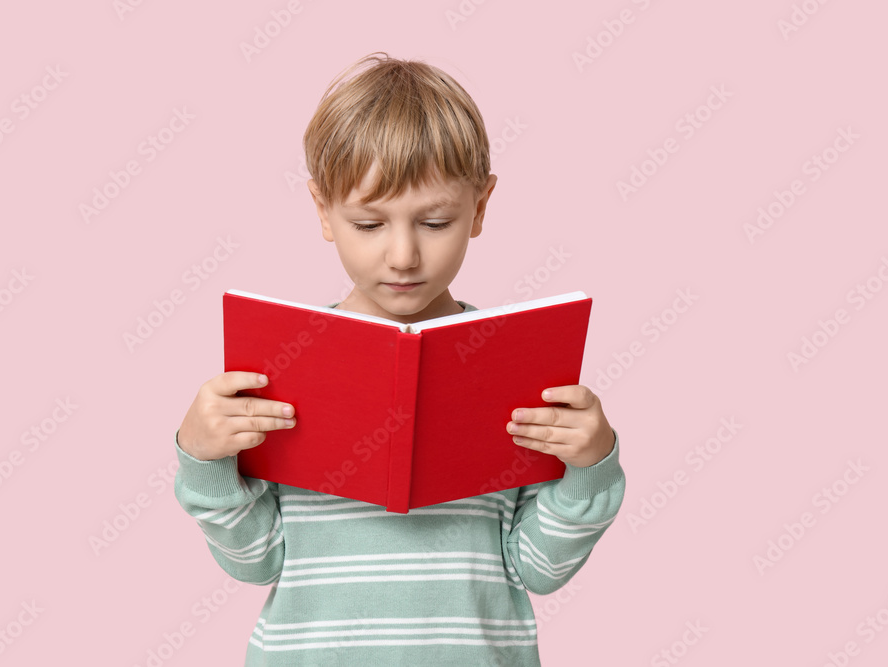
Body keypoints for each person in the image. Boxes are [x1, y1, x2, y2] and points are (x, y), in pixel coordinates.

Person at [173, 52, 626, 666]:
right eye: (368, 224)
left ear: (480, 207)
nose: (404, 255)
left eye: (435, 222)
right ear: (323, 211)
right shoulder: (286, 360)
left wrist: (591, 467)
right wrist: (204, 460)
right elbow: (256, 561)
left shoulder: (514, 364)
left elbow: (539, 568)